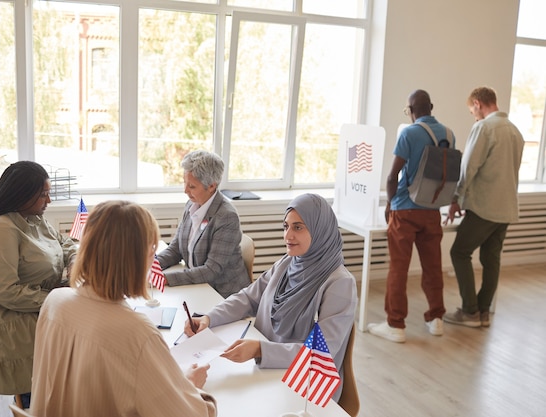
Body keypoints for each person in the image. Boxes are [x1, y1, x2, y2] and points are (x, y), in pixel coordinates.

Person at [29, 200, 217, 417]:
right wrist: (192, 388)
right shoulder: (138, 333)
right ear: (137, 260)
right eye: (152, 250)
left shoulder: (54, 301)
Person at [184, 193, 357, 404]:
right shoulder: (289, 263)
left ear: (320, 229)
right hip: (266, 372)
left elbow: (322, 353)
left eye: (298, 227)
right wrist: (208, 319)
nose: (288, 236)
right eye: (286, 227)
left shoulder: (339, 283)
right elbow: (248, 297)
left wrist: (260, 350)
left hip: (303, 387)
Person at [0, 161, 78, 407]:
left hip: (28, 299)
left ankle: (66, 396)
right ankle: (43, 403)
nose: (49, 201)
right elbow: (7, 293)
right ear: (21, 194)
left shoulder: (32, 217)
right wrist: (57, 299)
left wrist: (73, 263)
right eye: (43, 195)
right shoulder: (0, 230)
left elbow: (66, 243)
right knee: (77, 331)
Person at [368, 89, 452, 343]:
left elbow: (393, 175)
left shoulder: (409, 133)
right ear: (432, 106)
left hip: (405, 209)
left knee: (399, 268)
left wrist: (390, 204)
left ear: (412, 111)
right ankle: (436, 319)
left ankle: (396, 324)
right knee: (433, 267)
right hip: (432, 208)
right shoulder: (448, 134)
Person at [443, 86, 524, 328]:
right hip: (506, 208)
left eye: (472, 111)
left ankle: (470, 311)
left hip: (484, 207)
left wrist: (456, 198)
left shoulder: (484, 128)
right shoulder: (515, 132)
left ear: (478, 103)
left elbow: (469, 168)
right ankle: (483, 312)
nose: (473, 115)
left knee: (459, 252)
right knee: (491, 260)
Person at [156, 150, 249, 298]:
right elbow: (176, 249)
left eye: (192, 186)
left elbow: (210, 270)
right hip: (199, 286)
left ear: (211, 186)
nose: (185, 190)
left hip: (222, 294)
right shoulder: (191, 204)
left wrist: (165, 279)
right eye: (184, 183)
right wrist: (151, 266)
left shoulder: (226, 216)